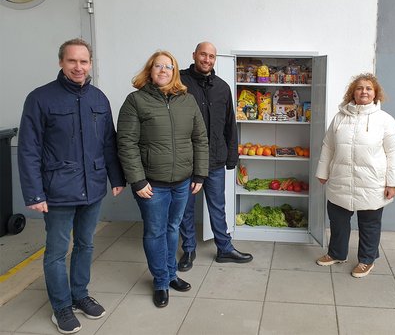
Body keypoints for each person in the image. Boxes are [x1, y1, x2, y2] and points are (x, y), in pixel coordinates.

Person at [17, 38, 125, 334]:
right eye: (72, 61)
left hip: (92, 188)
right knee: (56, 251)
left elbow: (108, 142)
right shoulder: (40, 98)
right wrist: (34, 193)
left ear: (91, 64)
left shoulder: (99, 98)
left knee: (86, 244)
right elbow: (28, 149)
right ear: (61, 63)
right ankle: (61, 307)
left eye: (84, 61)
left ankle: (80, 295)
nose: (79, 67)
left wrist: (116, 178)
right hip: (57, 190)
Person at [116, 50, 209, 308]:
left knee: (172, 228)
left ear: (175, 72)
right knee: (155, 231)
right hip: (151, 185)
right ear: (150, 70)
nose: (164, 70)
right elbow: (126, 143)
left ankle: (170, 274)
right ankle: (160, 281)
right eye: (158, 66)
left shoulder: (187, 101)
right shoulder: (135, 101)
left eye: (169, 66)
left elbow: (200, 139)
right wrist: (137, 180)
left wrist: (199, 173)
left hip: (182, 181)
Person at [315, 73, 395, 278]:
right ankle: (336, 253)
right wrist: (323, 171)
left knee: (369, 223)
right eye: (359, 88)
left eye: (368, 88)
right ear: (352, 92)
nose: (364, 91)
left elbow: (394, 152)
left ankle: (367, 260)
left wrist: (393, 183)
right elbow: (328, 146)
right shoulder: (340, 117)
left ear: (375, 93)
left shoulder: (385, 120)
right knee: (338, 220)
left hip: (372, 182)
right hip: (341, 178)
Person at [177, 42, 253, 271]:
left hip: (215, 159)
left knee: (218, 206)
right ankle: (189, 249)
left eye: (211, 56)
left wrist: (233, 157)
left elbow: (230, 123)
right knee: (186, 208)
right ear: (194, 55)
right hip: (187, 160)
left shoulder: (222, 87)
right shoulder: (179, 82)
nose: (207, 59)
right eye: (203, 54)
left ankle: (224, 247)